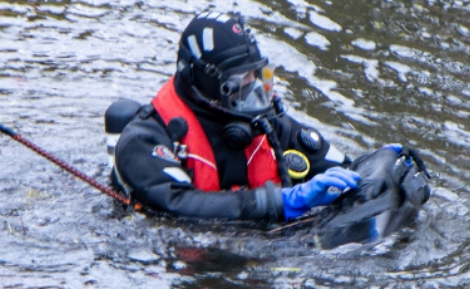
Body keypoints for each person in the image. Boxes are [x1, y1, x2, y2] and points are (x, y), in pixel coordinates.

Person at [108, 12, 361, 223]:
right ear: (207, 82)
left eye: (257, 77)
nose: (253, 93)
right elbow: (177, 203)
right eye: (240, 84)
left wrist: (380, 168)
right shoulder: (143, 140)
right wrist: (279, 202)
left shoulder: (263, 122)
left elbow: (339, 165)